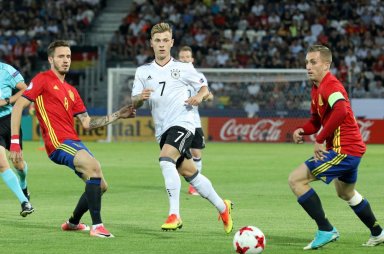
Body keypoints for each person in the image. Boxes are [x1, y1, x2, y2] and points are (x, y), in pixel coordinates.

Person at [10, 40, 136, 238]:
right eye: (61, 56)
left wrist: (118, 115)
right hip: (58, 143)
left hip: (74, 141)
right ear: (51, 59)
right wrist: (15, 142)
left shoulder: (72, 90)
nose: (66, 60)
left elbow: (86, 123)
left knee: (101, 185)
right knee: (93, 167)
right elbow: (18, 107)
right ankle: (97, 226)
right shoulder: (42, 79)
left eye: (68, 56)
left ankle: (73, 222)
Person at [131, 22, 233, 233]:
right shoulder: (143, 71)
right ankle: (223, 207)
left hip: (183, 123)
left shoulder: (183, 68)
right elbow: (135, 100)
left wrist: (198, 95)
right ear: (151, 43)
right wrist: (140, 99)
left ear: (171, 43)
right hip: (162, 129)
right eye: (157, 41)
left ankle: (174, 214)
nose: (161, 45)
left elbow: (204, 86)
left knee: (165, 159)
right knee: (190, 173)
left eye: (165, 40)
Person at [288, 45, 384, 250]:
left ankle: (325, 229)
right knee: (346, 193)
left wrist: (320, 138)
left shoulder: (331, 86)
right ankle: (378, 233)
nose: (308, 66)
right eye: (307, 62)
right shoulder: (317, 88)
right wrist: (303, 130)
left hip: (343, 149)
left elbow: (342, 110)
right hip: (350, 150)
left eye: (313, 62)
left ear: (326, 65)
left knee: (296, 180)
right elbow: (316, 120)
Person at [178, 45, 213, 196]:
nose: (185, 59)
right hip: (176, 120)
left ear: (192, 59)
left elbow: (209, 95)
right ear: (178, 59)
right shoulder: (174, 75)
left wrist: (201, 97)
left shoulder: (198, 76)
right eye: (182, 57)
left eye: (187, 57)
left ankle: (195, 185)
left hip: (193, 120)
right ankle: (178, 181)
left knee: (196, 152)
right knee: (176, 153)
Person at [0, 61, 34, 217]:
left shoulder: (6, 70)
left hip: (9, 120)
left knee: (18, 164)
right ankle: (24, 201)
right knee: (1, 164)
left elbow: (25, 90)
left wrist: (6, 101)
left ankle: (24, 185)